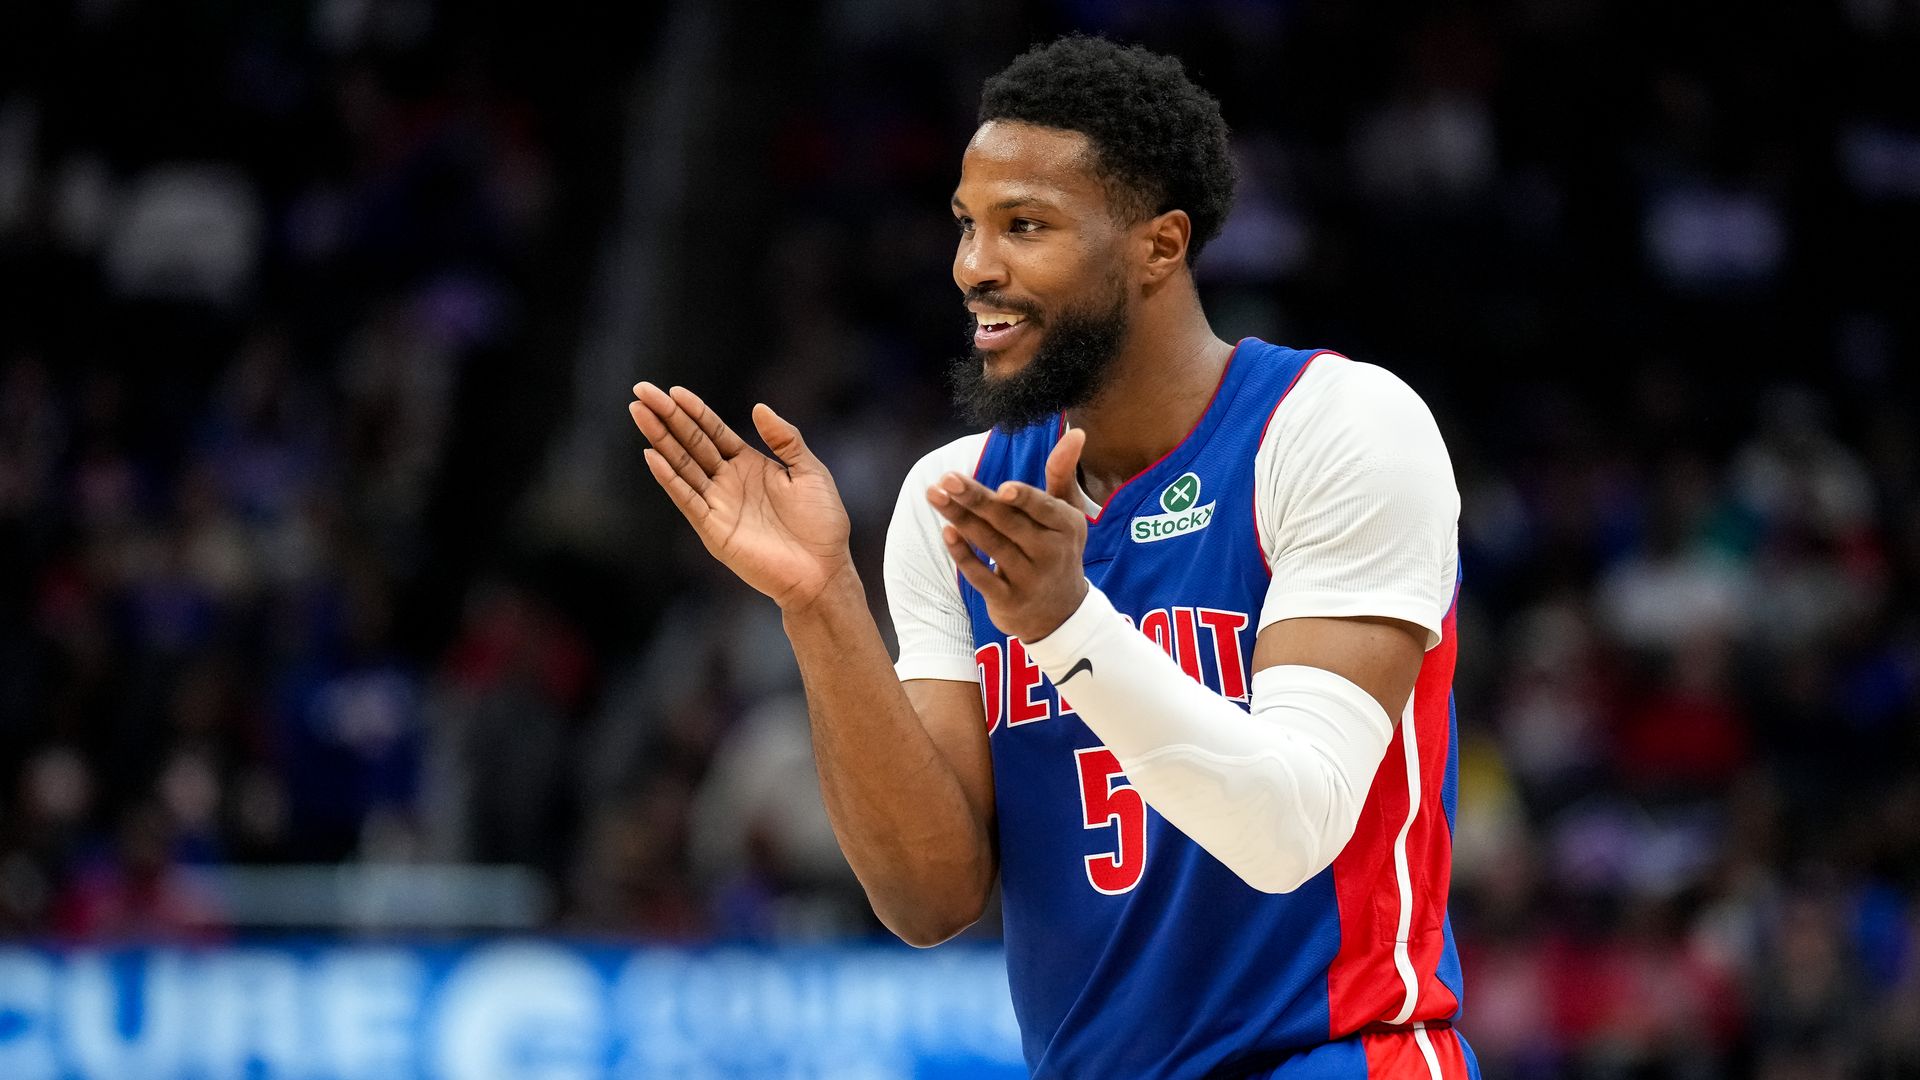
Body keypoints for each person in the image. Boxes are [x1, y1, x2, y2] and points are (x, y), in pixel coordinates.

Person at [628, 34, 1475, 1080]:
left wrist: (1068, 628)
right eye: (967, 226)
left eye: (1024, 226)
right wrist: (820, 602)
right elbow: (931, 900)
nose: (974, 267)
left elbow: (1287, 830)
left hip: (1335, 1056)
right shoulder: (953, 498)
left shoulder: (1338, 428)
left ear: (1159, 247)